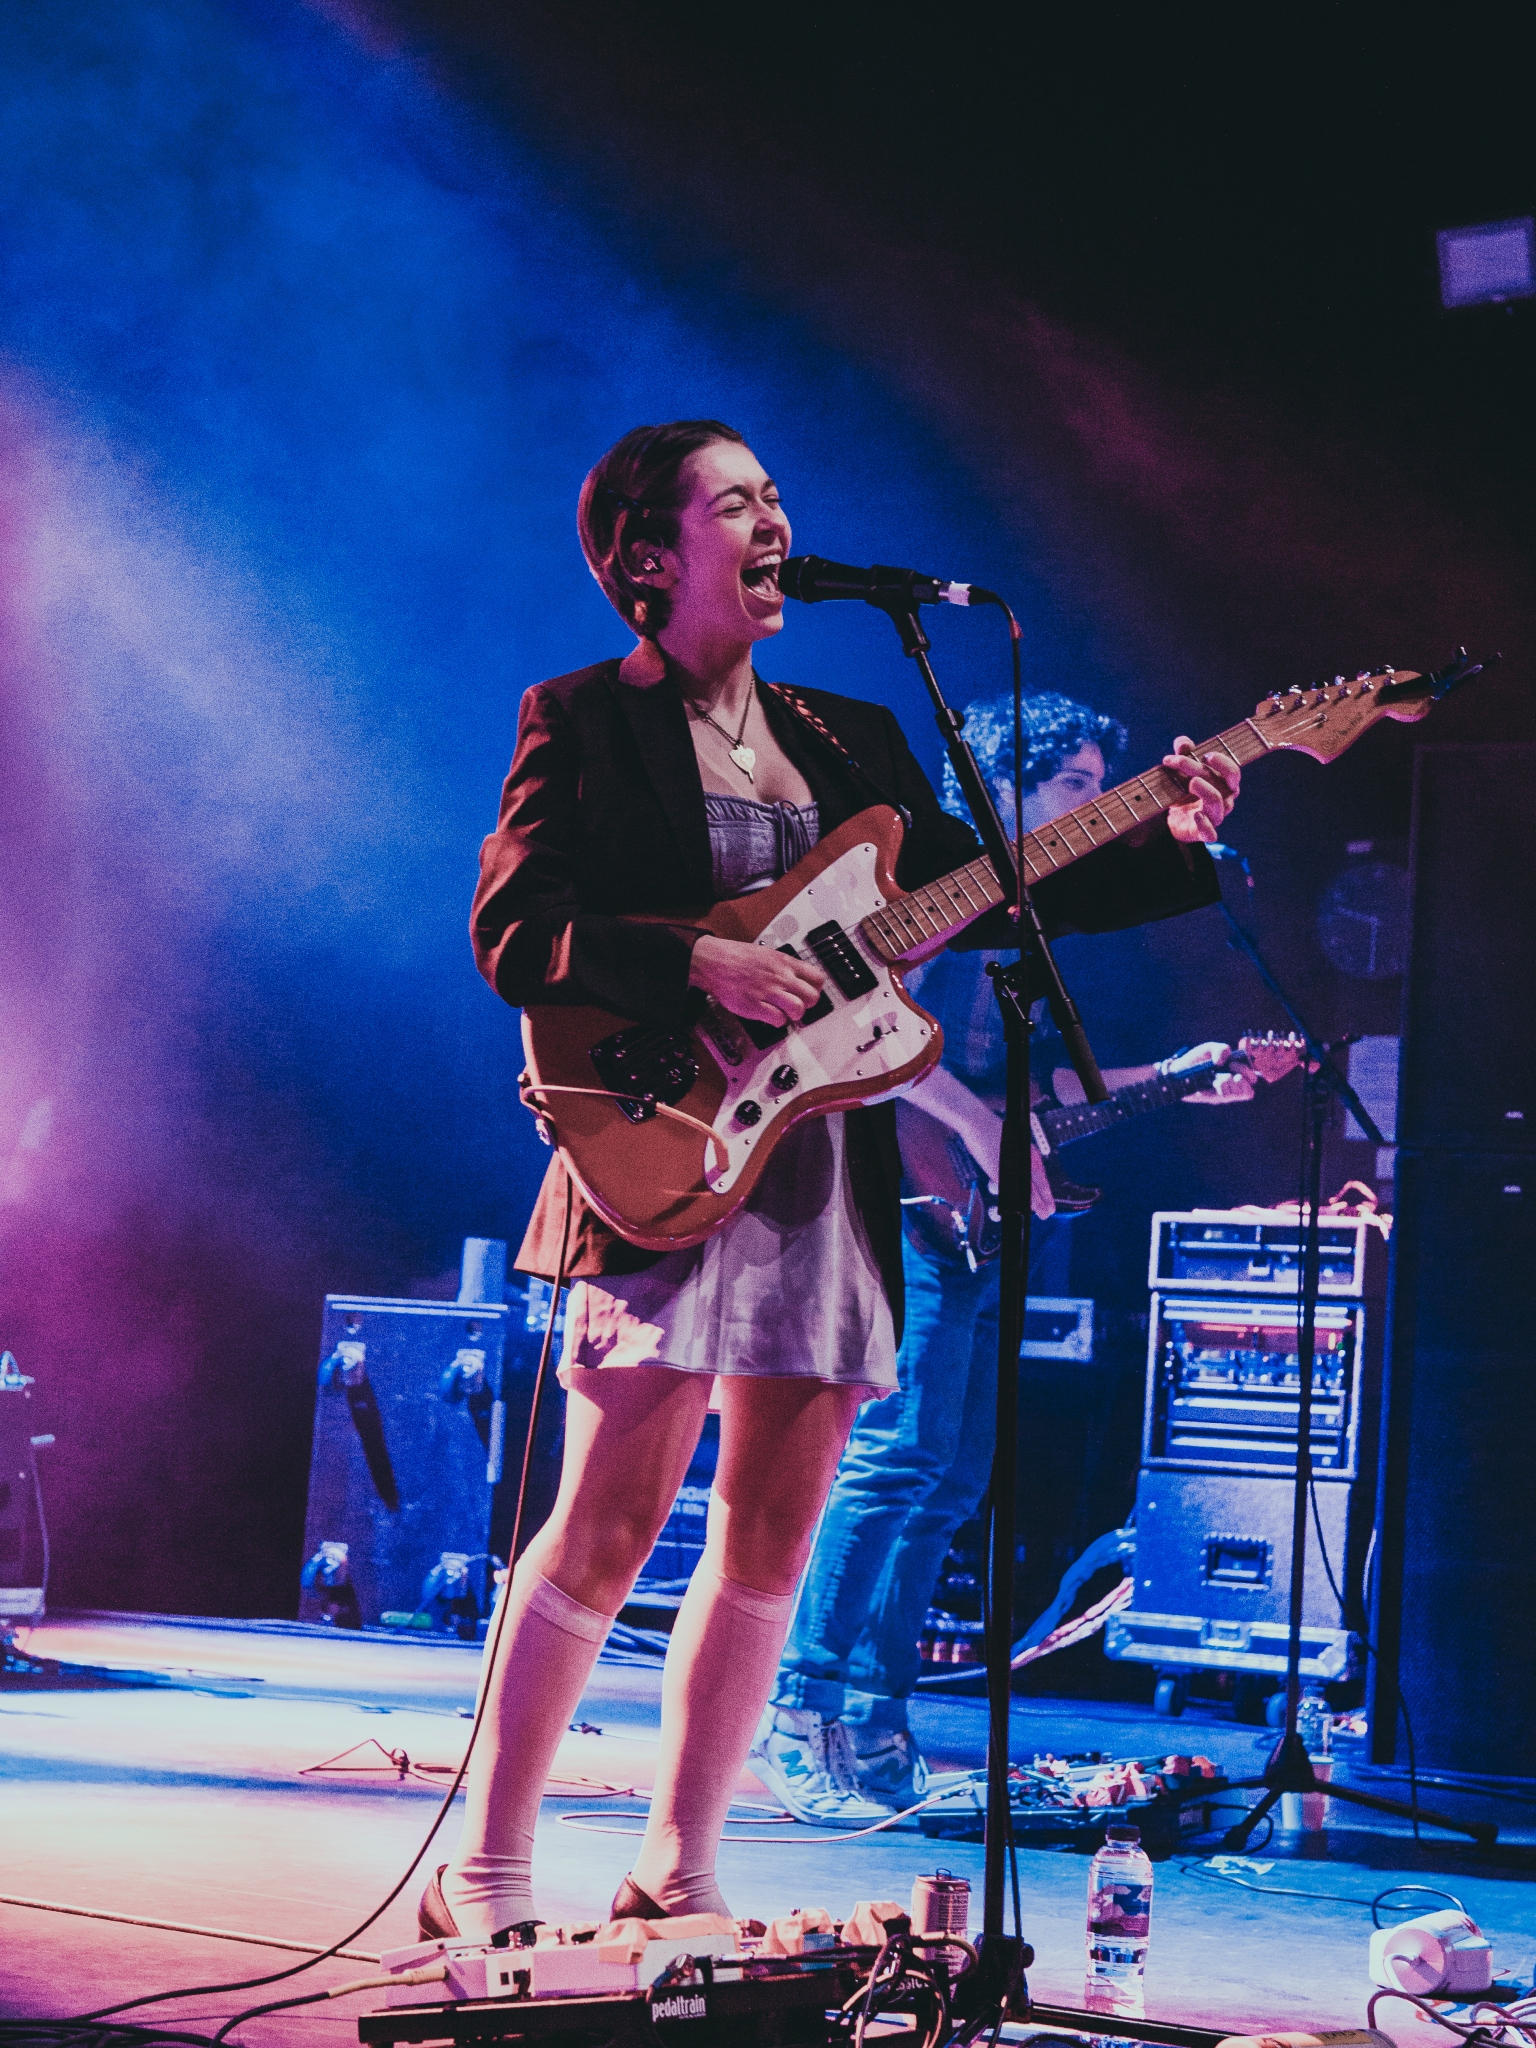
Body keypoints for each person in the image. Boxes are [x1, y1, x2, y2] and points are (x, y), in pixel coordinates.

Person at [434, 419, 1238, 1941]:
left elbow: (989, 896)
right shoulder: (585, 718)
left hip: (821, 1168)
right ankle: (484, 1871)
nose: (774, 521)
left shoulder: (850, 730)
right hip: (667, 1138)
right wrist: (700, 960)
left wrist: (1171, 841)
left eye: (777, 496)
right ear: (650, 554)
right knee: (610, 1516)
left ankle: (681, 1865)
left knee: (774, 1534)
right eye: (736, 502)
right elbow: (516, 929)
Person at [752, 692, 1259, 1826]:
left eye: (1096, 785)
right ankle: (798, 1708)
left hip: (972, 1211)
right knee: (894, 1460)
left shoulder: (1028, 916)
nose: (1090, 803)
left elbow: (1024, 1087)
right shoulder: (936, 888)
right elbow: (872, 1031)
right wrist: (979, 1129)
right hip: (901, 1191)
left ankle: (874, 1718)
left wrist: (1176, 1078)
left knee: (949, 1476)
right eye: (1072, 784)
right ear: (1004, 783)